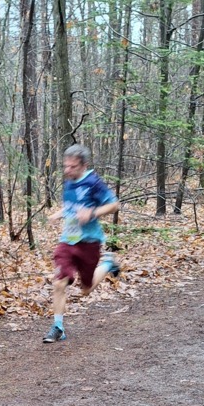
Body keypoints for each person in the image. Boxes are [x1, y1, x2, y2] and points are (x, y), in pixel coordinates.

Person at [43, 144, 121, 343]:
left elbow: (114, 205)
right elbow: (72, 207)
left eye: (73, 167)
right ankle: (58, 327)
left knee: (86, 289)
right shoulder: (69, 183)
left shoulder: (94, 183)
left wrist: (92, 213)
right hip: (67, 242)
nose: (68, 171)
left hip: (89, 242)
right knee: (59, 282)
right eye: (66, 166)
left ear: (84, 166)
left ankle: (108, 263)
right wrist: (59, 213)